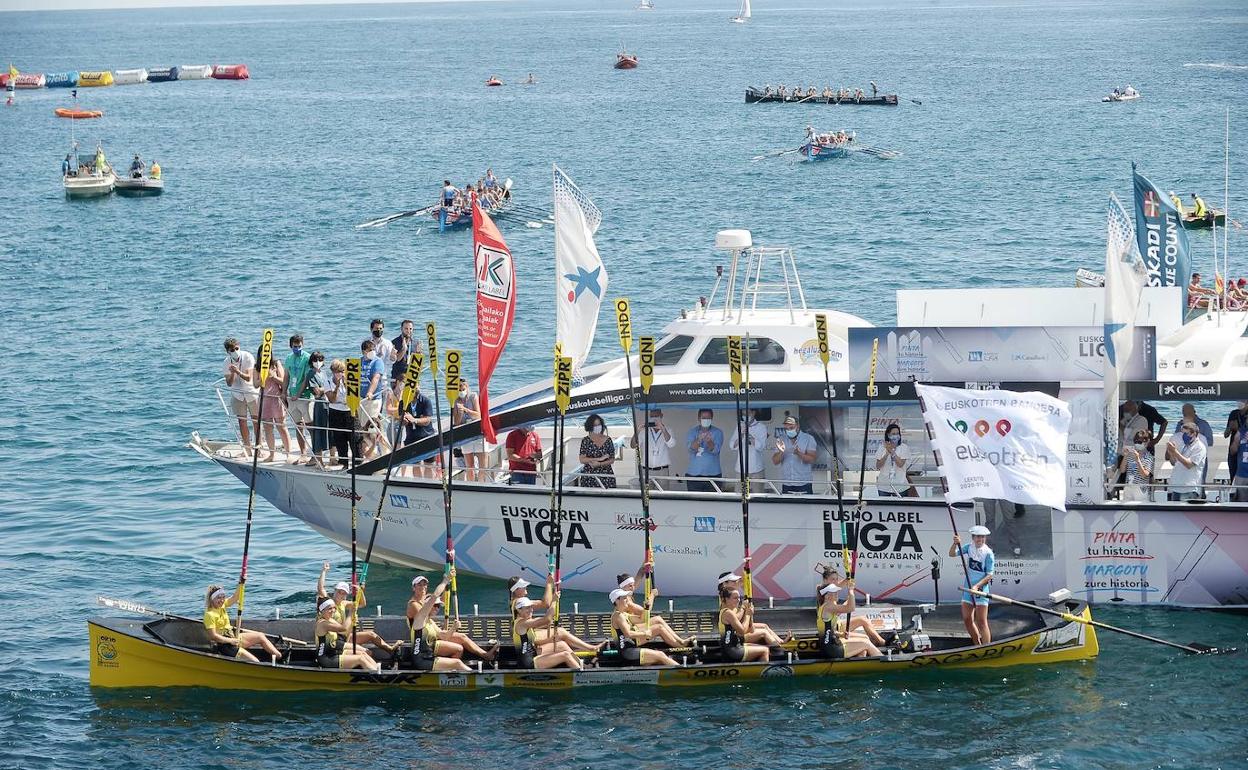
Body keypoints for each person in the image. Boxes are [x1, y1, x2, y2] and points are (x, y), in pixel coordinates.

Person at [406, 575, 499, 661]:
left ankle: (485, 655)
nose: (423, 587)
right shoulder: (413, 604)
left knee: (462, 637)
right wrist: (444, 582)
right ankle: (449, 668)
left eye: (424, 584)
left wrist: (448, 584)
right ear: (413, 588)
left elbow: (441, 600)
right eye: (419, 585)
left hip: (432, 631)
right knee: (458, 649)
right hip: (424, 640)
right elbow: (427, 611)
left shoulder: (425, 599)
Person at [315, 563, 399, 654]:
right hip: (335, 639)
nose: (341, 595)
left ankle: (390, 649)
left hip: (346, 636)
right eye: (339, 592)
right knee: (367, 652)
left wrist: (360, 591)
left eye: (344, 593)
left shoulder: (344, 603)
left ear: (346, 595)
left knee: (371, 634)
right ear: (334, 591)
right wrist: (324, 571)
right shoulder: (328, 603)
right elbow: (320, 588)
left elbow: (362, 604)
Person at [508, 575, 602, 653]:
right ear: (516, 590)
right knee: (561, 632)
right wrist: (549, 584)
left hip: (528, 632)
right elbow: (546, 603)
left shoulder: (514, 601)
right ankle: (590, 648)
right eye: (523, 586)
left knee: (559, 631)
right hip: (529, 637)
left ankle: (580, 651)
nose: (525, 587)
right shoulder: (519, 603)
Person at [203, 584, 280, 664]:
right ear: (212, 599)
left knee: (260, 636)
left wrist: (241, 583)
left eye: (223, 597)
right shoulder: (209, 614)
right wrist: (230, 641)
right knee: (255, 662)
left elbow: (235, 597)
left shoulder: (222, 606)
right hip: (225, 645)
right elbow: (214, 636)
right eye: (218, 598)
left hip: (233, 637)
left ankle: (280, 657)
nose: (222, 600)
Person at [614, 572, 693, 647]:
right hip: (631, 634)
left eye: (633, 585)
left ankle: (681, 641)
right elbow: (645, 614)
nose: (633, 588)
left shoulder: (626, 595)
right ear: (623, 587)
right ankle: (681, 646)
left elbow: (638, 578)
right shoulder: (627, 601)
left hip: (633, 625)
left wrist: (646, 566)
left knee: (658, 619)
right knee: (659, 627)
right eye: (630, 586)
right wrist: (652, 595)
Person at [815, 566, 887, 646]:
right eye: (832, 579)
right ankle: (883, 643)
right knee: (862, 622)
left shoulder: (830, 589)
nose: (835, 582)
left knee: (863, 620)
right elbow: (847, 607)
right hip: (832, 629)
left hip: (836, 624)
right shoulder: (824, 591)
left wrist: (849, 567)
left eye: (836, 579)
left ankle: (879, 642)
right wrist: (850, 593)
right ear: (825, 580)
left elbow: (846, 581)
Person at [609, 589, 680, 666]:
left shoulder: (624, 615)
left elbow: (642, 619)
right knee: (660, 655)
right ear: (617, 601)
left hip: (631, 649)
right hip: (627, 653)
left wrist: (646, 607)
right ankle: (683, 671)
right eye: (624, 598)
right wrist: (644, 633)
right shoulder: (617, 616)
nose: (627, 601)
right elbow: (628, 634)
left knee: (659, 657)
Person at [949, 525, 994, 645]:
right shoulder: (969, 547)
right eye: (978, 537)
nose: (981, 539)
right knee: (967, 619)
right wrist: (955, 543)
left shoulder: (988, 553)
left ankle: (986, 648)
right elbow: (952, 554)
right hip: (968, 589)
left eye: (983, 537)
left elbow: (989, 575)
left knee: (981, 622)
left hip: (980, 591)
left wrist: (976, 586)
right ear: (973, 538)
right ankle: (976, 644)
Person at [512, 598, 583, 670]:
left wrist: (550, 638)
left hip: (533, 653)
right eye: (527, 608)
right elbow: (546, 620)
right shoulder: (522, 623)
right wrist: (554, 600)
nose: (531, 610)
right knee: (566, 655)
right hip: (528, 663)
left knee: (561, 645)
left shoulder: (526, 622)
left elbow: (547, 621)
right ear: (519, 610)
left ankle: (582, 666)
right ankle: (582, 676)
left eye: (531, 607)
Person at [816, 581, 882, 659]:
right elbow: (851, 608)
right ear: (827, 596)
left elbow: (830, 630)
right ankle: (884, 662)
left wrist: (841, 634)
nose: (837, 593)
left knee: (865, 638)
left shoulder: (825, 606)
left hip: (831, 643)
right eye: (834, 592)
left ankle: (860, 664)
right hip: (832, 649)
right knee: (866, 643)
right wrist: (851, 590)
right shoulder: (829, 606)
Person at [315, 596, 381, 672]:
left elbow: (343, 632)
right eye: (330, 609)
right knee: (361, 659)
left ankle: (377, 670)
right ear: (322, 611)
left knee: (363, 654)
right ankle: (377, 676)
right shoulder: (322, 624)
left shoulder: (330, 620)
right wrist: (351, 613)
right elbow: (344, 628)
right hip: (326, 658)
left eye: (334, 608)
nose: (333, 610)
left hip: (334, 652)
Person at [222, 337, 259, 454]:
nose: (235, 351)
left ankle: (259, 446)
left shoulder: (247, 356)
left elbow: (248, 377)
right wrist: (233, 373)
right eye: (232, 350)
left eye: (237, 348)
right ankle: (247, 448)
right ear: (228, 351)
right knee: (242, 421)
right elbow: (229, 383)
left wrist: (238, 371)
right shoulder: (226, 362)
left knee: (256, 420)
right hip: (237, 394)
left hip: (251, 392)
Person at [256, 345, 291, 462]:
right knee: (267, 427)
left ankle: (288, 453)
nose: (266, 355)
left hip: (276, 399)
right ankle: (272, 454)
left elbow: (283, 381)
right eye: (263, 353)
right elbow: (255, 384)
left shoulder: (276, 364)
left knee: (281, 426)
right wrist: (262, 378)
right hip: (264, 399)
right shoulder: (257, 367)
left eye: (268, 353)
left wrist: (274, 376)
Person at [718, 587, 769, 662]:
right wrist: (747, 614)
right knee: (765, 650)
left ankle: (781, 646)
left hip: (734, 646)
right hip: (731, 651)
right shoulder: (728, 613)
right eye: (735, 598)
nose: (738, 600)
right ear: (726, 599)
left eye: (739, 597)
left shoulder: (732, 612)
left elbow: (751, 630)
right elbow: (742, 631)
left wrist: (749, 614)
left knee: (761, 646)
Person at [630, 408, 676, 490]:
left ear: (661, 416)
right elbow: (633, 445)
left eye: (656, 416)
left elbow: (671, 444)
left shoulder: (668, 430)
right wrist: (637, 431)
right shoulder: (644, 430)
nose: (654, 418)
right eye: (652, 416)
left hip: (662, 471)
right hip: (646, 470)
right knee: (647, 496)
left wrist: (663, 429)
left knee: (663, 497)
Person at [284, 334, 314, 463]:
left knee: (310, 425)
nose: (297, 348)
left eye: (299, 346)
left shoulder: (307, 358)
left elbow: (307, 379)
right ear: (291, 346)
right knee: (298, 425)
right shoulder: (289, 358)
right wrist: (284, 392)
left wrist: (299, 394)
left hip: (304, 396)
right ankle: (303, 453)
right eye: (295, 346)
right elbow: (286, 376)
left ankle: (315, 453)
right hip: (292, 396)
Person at [772, 415, 817, 494]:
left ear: (798, 426)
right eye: (786, 429)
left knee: (806, 506)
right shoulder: (781, 439)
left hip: (804, 483)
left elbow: (812, 459)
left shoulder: (808, 438)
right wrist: (781, 452)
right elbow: (775, 461)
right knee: (787, 506)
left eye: (791, 428)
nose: (789, 430)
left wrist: (799, 454)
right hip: (787, 483)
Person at [400, 379, 435, 478]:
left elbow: (427, 420)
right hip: (411, 437)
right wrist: (405, 421)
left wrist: (414, 420)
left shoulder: (425, 400)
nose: (416, 388)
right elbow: (401, 420)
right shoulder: (403, 402)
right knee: (416, 464)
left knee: (429, 464)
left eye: (417, 386)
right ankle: (418, 485)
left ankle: (429, 486)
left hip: (426, 436)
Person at [453, 378, 487, 481]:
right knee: (469, 466)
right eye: (458, 389)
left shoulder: (473, 396)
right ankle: (471, 483)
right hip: (465, 433)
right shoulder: (456, 401)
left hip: (477, 432)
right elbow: (457, 422)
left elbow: (478, 415)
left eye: (462, 388)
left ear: (466, 387)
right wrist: (460, 412)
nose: (460, 391)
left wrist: (466, 410)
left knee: (482, 465)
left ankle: (482, 485)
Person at [357, 339, 386, 459]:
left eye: (373, 350)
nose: (372, 352)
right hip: (361, 400)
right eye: (370, 350)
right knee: (362, 428)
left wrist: (370, 392)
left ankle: (383, 453)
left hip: (373, 400)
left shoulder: (377, 362)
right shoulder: (360, 361)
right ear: (364, 351)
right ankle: (367, 454)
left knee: (374, 427)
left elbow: (376, 378)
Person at [1166, 422, 1207, 501]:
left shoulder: (1199, 447)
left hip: (1189, 489)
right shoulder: (1184, 446)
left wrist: (1175, 452)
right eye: (1182, 433)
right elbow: (1174, 462)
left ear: (1193, 433)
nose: (1183, 436)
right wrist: (1171, 452)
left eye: (1186, 433)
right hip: (1176, 487)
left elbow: (1189, 464)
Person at [686, 409, 724, 492]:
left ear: (712, 418)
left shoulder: (718, 432)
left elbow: (715, 450)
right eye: (704, 418)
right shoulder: (692, 432)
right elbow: (691, 449)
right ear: (699, 419)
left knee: (712, 503)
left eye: (708, 418)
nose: (706, 420)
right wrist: (699, 439)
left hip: (713, 474)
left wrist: (709, 441)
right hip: (694, 474)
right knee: (694, 503)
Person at [324, 359, 353, 467]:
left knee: (354, 437)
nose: (339, 374)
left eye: (341, 371)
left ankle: (357, 462)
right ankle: (344, 463)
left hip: (348, 410)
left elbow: (353, 395)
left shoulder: (349, 380)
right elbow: (332, 399)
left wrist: (345, 384)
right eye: (336, 371)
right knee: (339, 439)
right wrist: (337, 386)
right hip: (335, 410)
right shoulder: (328, 382)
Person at [730, 409, 768, 488]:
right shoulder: (739, 426)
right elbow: (732, 445)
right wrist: (741, 436)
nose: (745, 416)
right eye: (743, 414)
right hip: (741, 468)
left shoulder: (761, 427)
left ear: (753, 413)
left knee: (757, 496)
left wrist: (751, 438)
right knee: (740, 495)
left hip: (757, 468)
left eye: (747, 414)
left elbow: (761, 447)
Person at [576, 413, 616, 488]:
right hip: (589, 476)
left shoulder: (608, 440)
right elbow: (582, 459)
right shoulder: (585, 440)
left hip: (606, 475)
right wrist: (599, 459)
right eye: (595, 425)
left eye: (599, 424)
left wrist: (600, 464)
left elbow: (612, 459)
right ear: (590, 427)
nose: (598, 427)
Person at [1114, 429, 1154, 502]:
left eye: (1139, 442)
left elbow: (1144, 475)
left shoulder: (1149, 457)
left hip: (1140, 489)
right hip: (1128, 486)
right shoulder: (1130, 454)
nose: (1137, 444)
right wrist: (1125, 456)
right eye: (1135, 442)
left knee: (1140, 511)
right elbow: (1122, 470)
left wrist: (1138, 460)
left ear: (1147, 442)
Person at [306, 351, 331, 468]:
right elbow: (316, 391)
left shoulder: (324, 373)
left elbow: (328, 388)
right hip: (320, 404)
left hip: (328, 403)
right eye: (315, 360)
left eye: (320, 360)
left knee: (329, 430)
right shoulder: (311, 373)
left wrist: (324, 389)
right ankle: (319, 460)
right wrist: (325, 388)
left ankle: (332, 457)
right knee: (319, 431)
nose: (318, 362)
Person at [874, 423, 912, 496]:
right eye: (893, 434)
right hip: (884, 486)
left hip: (900, 486)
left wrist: (892, 452)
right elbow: (878, 466)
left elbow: (900, 464)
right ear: (888, 435)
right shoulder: (882, 447)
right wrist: (887, 453)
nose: (896, 436)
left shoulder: (904, 447)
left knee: (900, 506)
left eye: (897, 433)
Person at [390, 319, 421, 387]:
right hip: (398, 376)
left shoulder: (416, 342)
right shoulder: (394, 342)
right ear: (401, 329)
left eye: (410, 329)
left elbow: (419, 362)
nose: (408, 331)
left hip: (412, 376)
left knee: (415, 396)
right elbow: (396, 359)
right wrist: (404, 349)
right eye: (406, 328)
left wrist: (419, 353)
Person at [1225, 401, 1248, 480]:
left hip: (1245, 448)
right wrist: (1230, 428)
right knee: (1233, 471)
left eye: (1243, 401)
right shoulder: (1234, 414)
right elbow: (1226, 434)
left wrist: (1238, 428)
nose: (1240, 403)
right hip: (1234, 446)